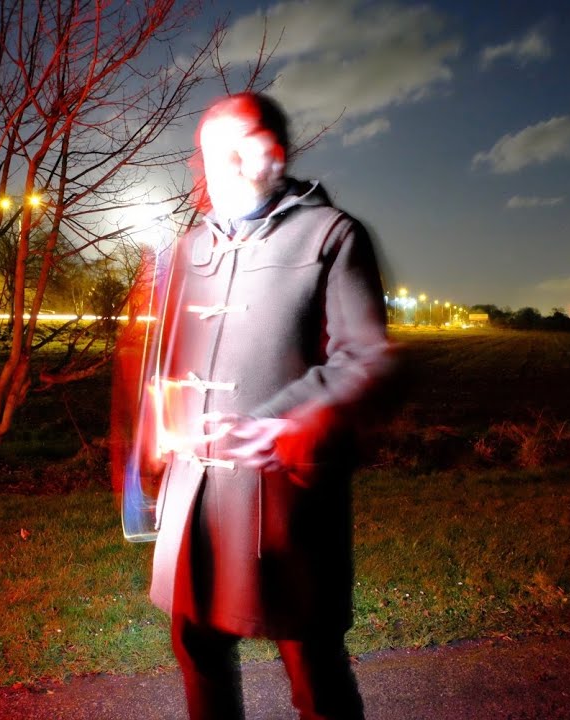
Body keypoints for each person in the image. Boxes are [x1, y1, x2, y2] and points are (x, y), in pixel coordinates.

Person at [113, 92, 396, 720]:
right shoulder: (187, 250)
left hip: (285, 498)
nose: (226, 167)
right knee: (197, 652)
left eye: (242, 148)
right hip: (195, 499)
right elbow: (158, 356)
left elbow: (364, 357)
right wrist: (152, 424)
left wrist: (285, 420)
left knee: (313, 671)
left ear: (276, 152)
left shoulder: (332, 235)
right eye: (213, 153)